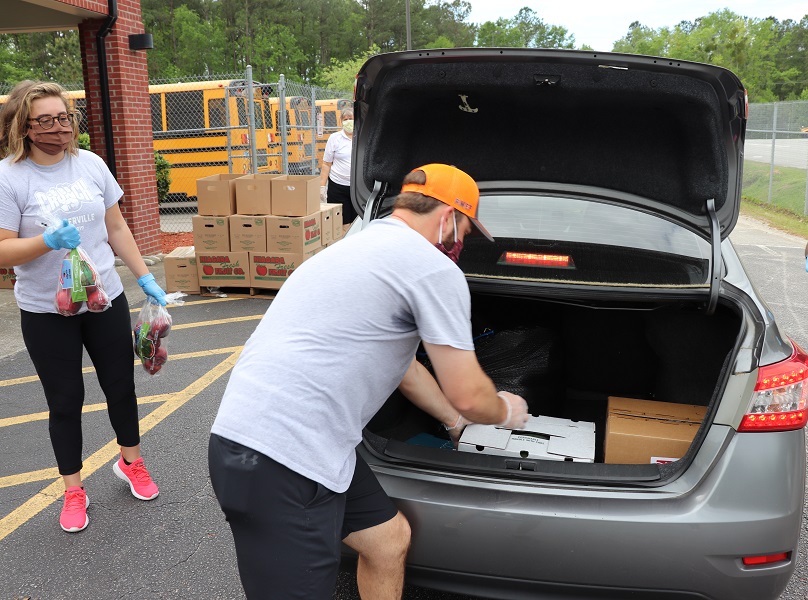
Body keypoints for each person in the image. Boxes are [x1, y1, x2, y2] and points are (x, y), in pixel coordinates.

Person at [208, 163, 529, 599]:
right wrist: (508, 410)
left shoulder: (357, 246)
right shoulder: (431, 268)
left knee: (386, 540)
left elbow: (405, 369)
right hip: (279, 460)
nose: (460, 244)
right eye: (465, 232)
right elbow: (471, 394)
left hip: (285, 443)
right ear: (448, 217)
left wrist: (454, 423)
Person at [0, 80, 166, 533]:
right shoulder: (9, 178)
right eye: (47, 121)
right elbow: (2, 252)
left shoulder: (90, 164)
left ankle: (130, 462)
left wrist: (144, 277)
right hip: (46, 310)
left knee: (121, 385)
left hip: (103, 297)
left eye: (65, 118)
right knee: (65, 400)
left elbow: (116, 225)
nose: (61, 128)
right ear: (24, 127)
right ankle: (73, 489)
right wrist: (45, 241)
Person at [320, 108, 357, 226]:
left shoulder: (362, 138)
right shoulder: (334, 138)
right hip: (338, 187)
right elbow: (326, 164)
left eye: (350, 119)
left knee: (357, 223)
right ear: (341, 121)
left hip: (357, 188)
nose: (348, 121)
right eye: (345, 119)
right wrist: (322, 186)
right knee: (341, 223)